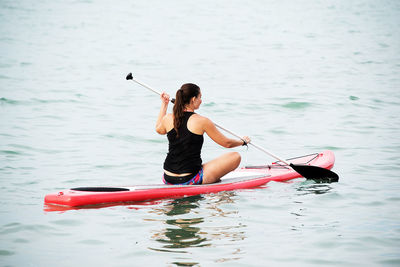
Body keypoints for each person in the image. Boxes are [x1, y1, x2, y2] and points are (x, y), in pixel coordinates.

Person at [155, 83, 251, 185]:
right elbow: (226, 143)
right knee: (235, 156)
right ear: (193, 99)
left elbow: (159, 129)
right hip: (190, 179)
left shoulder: (168, 118)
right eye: (200, 97)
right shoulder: (202, 121)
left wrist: (164, 104)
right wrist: (243, 142)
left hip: (168, 178)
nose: (201, 100)